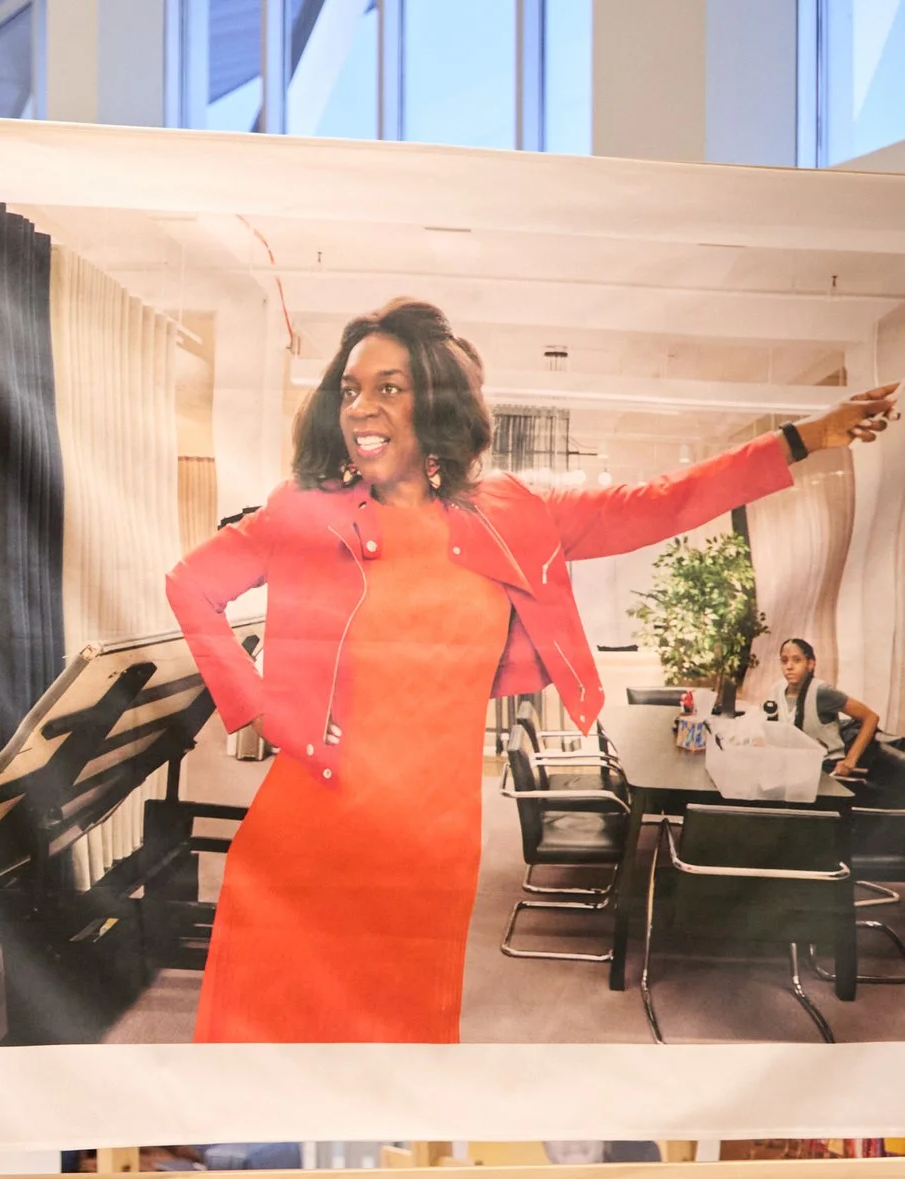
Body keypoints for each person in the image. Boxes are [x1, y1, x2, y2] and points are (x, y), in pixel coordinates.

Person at [166, 297, 895, 1042]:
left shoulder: (511, 513)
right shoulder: (304, 511)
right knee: (264, 1044)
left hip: (434, 834)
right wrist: (255, 708)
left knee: (403, 1048)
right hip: (312, 825)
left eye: (389, 386)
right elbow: (190, 585)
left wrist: (798, 441)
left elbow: (664, 503)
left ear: (439, 400)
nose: (362, 405)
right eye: (351, 388)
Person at [776, 636, 883, 777]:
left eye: (797, 660)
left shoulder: (822, 692)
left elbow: (871, 717)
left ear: (810, 664)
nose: (789, 666)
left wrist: (850, 760)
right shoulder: (777, 689)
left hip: (825, 768)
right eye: (784, 661)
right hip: (793, 767)